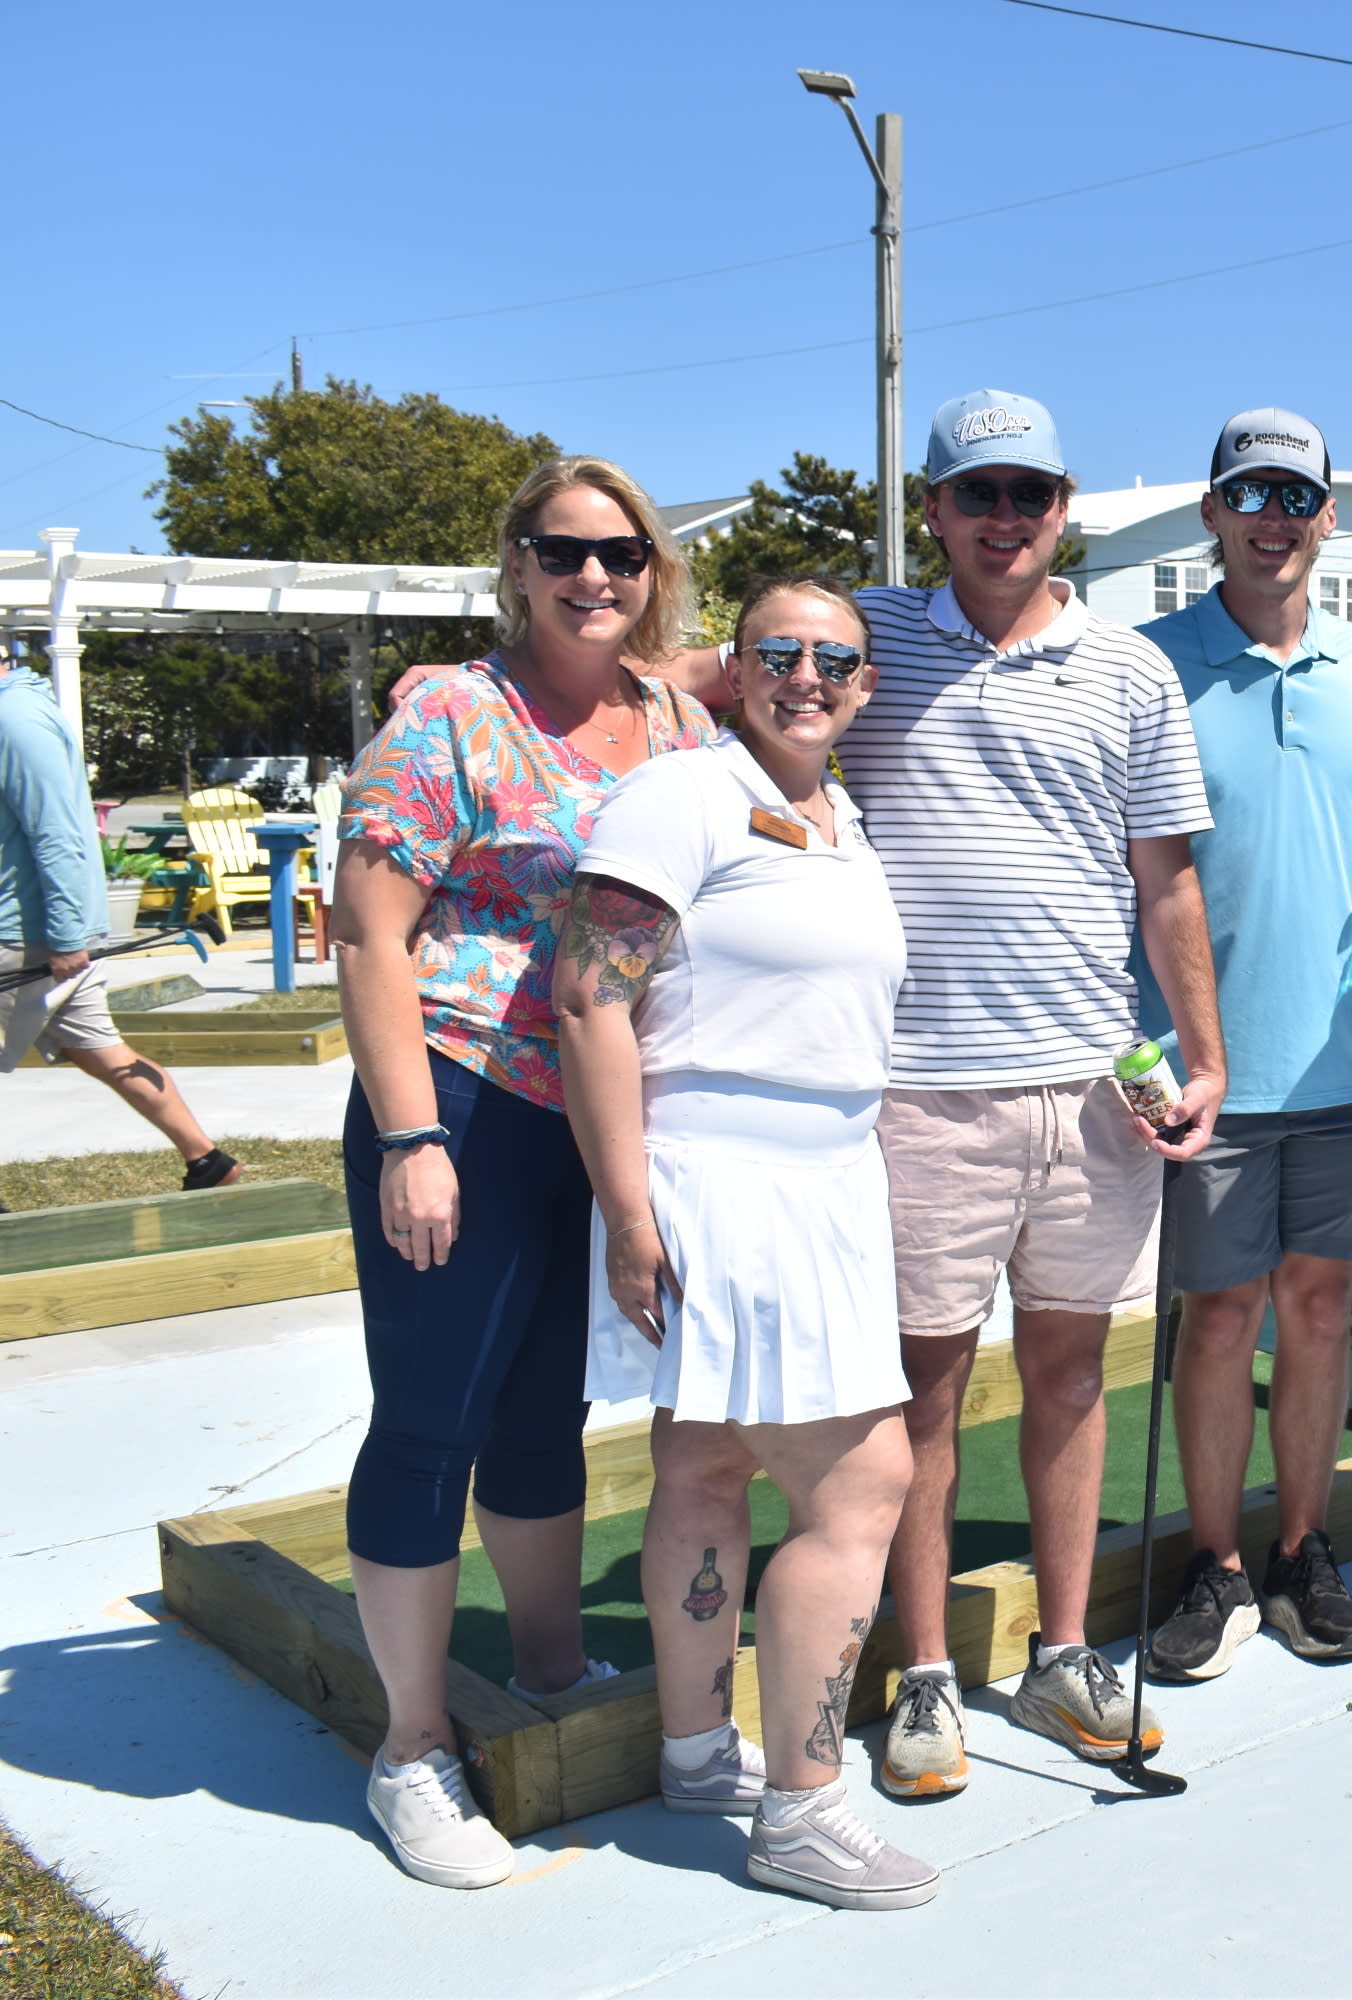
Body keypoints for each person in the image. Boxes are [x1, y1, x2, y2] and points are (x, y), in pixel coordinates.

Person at [409, 391, 1228, 1792]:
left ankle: (1061, 1652)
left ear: (1062, 505)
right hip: (908, 1105)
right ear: (934, 509)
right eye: (976, 492)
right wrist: (505, 677)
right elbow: (679, 670)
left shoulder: (1115, 673)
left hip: (1084, 1089)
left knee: (1069, 1374)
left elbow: (1167, 879)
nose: (1004, 517)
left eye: (1029, 492)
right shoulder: (862, 641)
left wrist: (1200, 1053)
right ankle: (920, 1678)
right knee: (904, 1405)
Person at [332, 455, 719, 1888]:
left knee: (548, 1412)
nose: (593, 576)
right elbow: (369, 933)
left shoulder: (676, 719)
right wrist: (413, 1136)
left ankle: (549, 1666)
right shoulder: (449, 714)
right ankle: (412, 1746)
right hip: (465, 1096)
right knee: (431, 1419)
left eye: (621, 553)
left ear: (653, 567)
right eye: (563, 552)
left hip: (604, 1115)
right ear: (517, 563)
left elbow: (778, 659)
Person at [554, 575, 933, 1909]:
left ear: (864, 685)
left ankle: (700, 1753)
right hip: (723, 1179)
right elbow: (589, 998)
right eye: (779, 651)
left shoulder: (843, 817)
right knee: (863, 1484)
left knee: (707, 1464)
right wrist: (629, 1210)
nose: (806, 675)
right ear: (737, 666)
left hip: (824, 1179)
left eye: (835, 658)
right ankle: (804, 1808)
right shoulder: (682, 793)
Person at [1133, 410, 1352, 1681]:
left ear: (1328, 516)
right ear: (1212, 514)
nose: (1272, 517)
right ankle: (1216, 1563)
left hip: (1346, 1064)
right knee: (1221, 1317)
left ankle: (1299, 1551)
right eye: (1248, 494)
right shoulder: (1147, 665)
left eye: (1295, 495)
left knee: (1320, 1311)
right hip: (1203, 1069)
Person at [1, 645, 244, 1197]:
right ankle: (207, 1160)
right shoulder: (20, 710)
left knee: (103, 1051)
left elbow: (57, 832)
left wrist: (67, 937)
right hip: (47, 934)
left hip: (24, 934)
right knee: (104, 1053)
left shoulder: (14, 719)